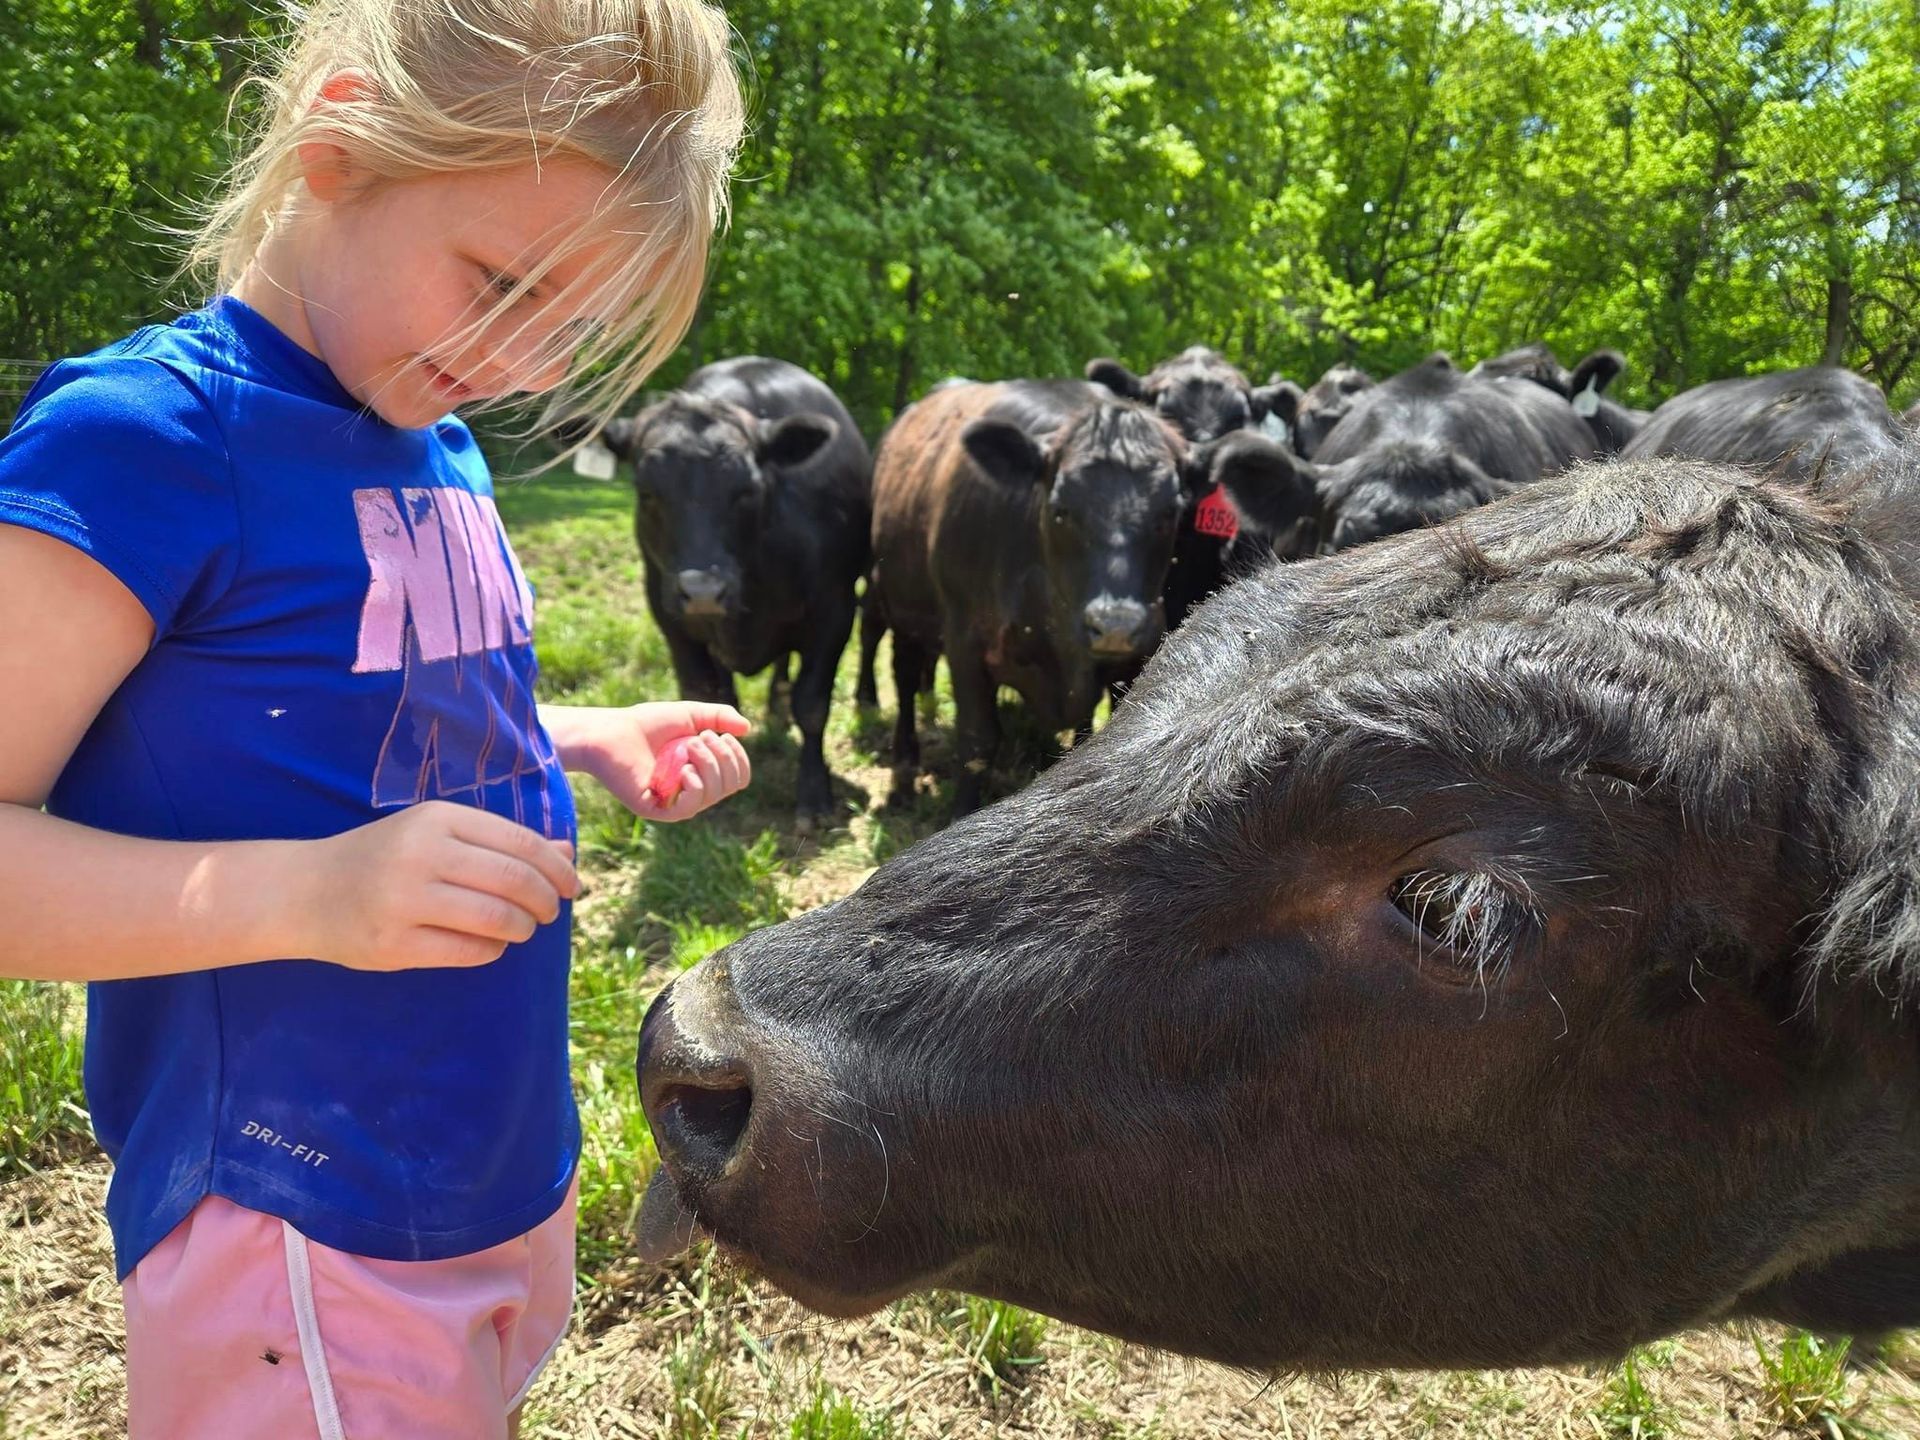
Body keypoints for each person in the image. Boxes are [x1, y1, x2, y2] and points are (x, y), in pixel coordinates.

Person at [0, 2, 747, 1435]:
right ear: (342, 134)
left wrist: (576, 737)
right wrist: (315, 890)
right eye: (501, 282)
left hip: (483, 1172)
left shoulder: (428, 433)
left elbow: (368, 699)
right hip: (297, 1213)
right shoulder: (146, 440)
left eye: (572, 328)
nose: (527, 361)